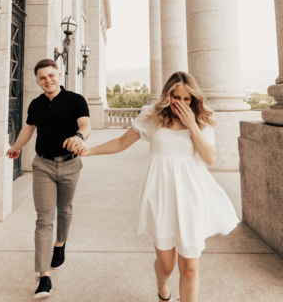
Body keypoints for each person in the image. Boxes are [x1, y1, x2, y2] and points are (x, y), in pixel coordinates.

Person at [73, 72, 239, 302]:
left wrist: (192, 126)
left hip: (191, 195)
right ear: (167, 94)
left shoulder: (201, 119)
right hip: (160, 193)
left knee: (190, 267)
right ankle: (163, 290)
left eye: (187, 98)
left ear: (194, 99)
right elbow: (122, 142)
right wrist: (89, 151)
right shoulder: (152, 115)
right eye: (175, 96)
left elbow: (209, 158)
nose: (180, 102)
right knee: (167, 264)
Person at [6, 59, 91, 299]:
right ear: (37, 80)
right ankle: (44, 276)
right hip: (42, 164)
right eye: (42, 77)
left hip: (70, 164)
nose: (48, 80)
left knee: (64, 209)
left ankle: (60, 243)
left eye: (51, 75)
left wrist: (79, 136)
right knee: (44, 219)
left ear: (59, 75)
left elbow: (86, 124)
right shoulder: (36, 104)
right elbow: (28, 129)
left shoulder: (76, 100)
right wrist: (17, 146)